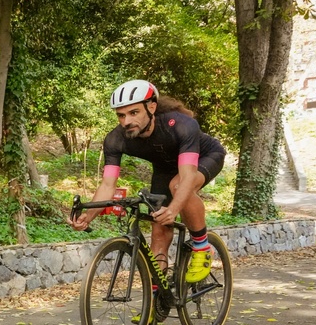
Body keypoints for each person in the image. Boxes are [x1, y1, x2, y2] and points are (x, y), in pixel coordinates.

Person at [69, 80, 226, 284]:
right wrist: (87, 217)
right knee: (158, 232)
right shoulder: (116, 139)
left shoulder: (180, 125)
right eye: (121, 115)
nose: (126, 121)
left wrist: (173, 208)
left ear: (151, 107)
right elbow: (108, 185)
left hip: (204, 157)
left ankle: (202, 246)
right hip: (164, 170)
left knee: (178, 186)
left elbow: (187, 176)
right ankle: (155, 302)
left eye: (134, 113)